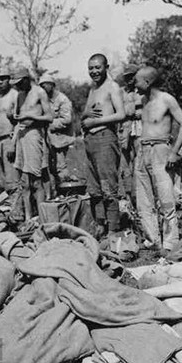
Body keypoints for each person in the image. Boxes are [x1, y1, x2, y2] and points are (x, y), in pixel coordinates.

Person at [133, 66, 182, 253]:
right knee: (143, 201)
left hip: (161, 150)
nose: (134, 84)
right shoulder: (143, 100)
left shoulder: (167, 99)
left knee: (166, 199)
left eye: (137, 81)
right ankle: (153, 241)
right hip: (143, 151)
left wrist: (174, 152)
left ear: (147, 82)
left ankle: (170, 243)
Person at [81, 54, 126, 237]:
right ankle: (100, 225)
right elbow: (86, 113)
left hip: (105, 137)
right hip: (90, 140)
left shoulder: (112, 87)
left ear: (106, 67)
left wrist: (95, 122)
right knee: (94, 188)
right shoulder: (93, 88)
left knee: (108, 187)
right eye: (91, 68)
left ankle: (113, 229)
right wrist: (87, 116)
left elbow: (121, 114)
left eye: (97, 67)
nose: (94, 71)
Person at [9, 68, 53, 221]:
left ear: (27, 80)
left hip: (34, 135)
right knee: (25, 182)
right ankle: (28, 218)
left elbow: (49, 117)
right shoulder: (19, 95)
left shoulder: (39, 92)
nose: (18, 87)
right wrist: (13, 142)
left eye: (20, 83)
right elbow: (18, 120)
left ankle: (42, 217)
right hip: (21, 135)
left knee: (36, 180)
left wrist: (31, 116)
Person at [40, 74, 75, 193]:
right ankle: (55, 192)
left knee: (61, 167)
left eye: (45, 85)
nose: (43, 88)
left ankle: (66, 192)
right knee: (50, 168)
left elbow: (67, 120)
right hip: (49, 139)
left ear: (52, 85)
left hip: (61, 139)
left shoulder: (62, 99)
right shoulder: (44, 100)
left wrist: (49, 124)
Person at [0, 71, 19, 198]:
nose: (0, 82)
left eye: (3, 79)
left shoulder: (15, 95)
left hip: (10, 138)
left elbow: (19, 122)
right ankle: (8, 204)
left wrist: (13, 143)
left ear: (9, 80)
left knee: (12, 177)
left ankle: (16, 204)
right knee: (2, 178)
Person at [118, 64, 142, 202]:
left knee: (140, 163)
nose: (130, 80)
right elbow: (120, 110)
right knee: (125, 165)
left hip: (139, 130)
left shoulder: (142, 90)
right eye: (127, 77)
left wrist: (134, 110)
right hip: (124, 130)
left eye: (132, 76)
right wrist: (132, 109)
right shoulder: (121, 92)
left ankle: (140, 196)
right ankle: (128, 196)